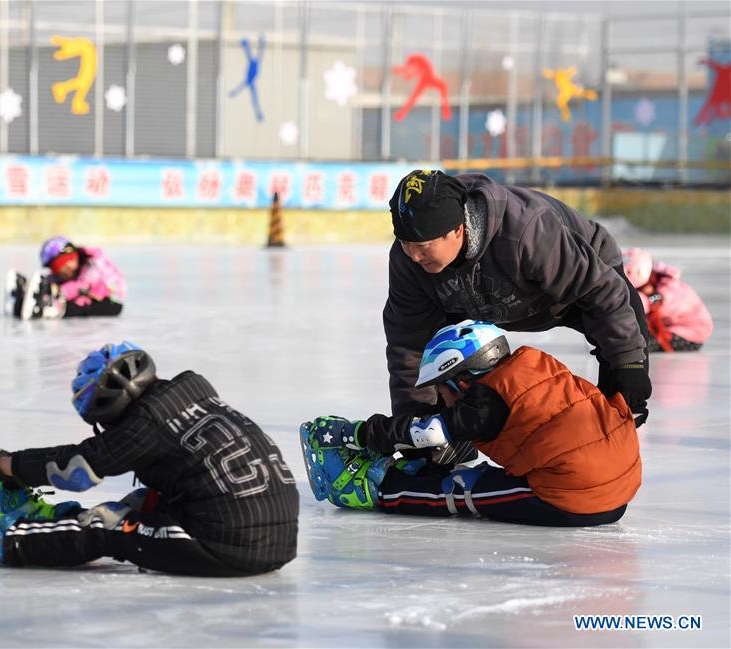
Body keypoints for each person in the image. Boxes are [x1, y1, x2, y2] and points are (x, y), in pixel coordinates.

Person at [0, 342, 299, 576]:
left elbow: (74, 469)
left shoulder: (146, 424)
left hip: (229, 545)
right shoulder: (194, 396)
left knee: (108, 525)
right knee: (143, 502)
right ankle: (46, 521)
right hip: (275, 535)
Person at [301, 320, 641, 527]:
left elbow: (427, 431)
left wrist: (357, 433)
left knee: (460, 489)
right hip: (616, 488)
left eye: (440, 389)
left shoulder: (486, 402)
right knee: (485, 475)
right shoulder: (534, 367)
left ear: (461, 380)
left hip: (574, 499)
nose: (440, 399)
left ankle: (380, 490)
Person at [384, 170, 652, 426]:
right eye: (405, 244)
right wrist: (415, 422)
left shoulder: (526, 231)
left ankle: (615, 435)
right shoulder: (407, 262)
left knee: (625, 370)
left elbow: (600, 291)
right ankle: (454, 437)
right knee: (441, 352)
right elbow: (408, 342)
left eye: (422, 246)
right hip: (487, 302)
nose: (413, 256)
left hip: (582, 284)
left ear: (456, 230)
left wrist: (628, 363)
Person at [4, 235, 126, 320]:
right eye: (55, 268)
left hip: (110, 302)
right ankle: (21, 302)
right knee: (69, 296)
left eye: (62, 264)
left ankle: (52, 310)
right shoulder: (71, 271)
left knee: (81, 305)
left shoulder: (93, 265)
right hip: (88, 296)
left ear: (73, 257)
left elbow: (81, 285)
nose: (61, 271)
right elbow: (57, 281)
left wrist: (55, 291)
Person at [622, 247, 713, 353]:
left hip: (691, 334)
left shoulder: (671, 288)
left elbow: (657, 302)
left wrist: (627, 303)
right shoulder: (656, 283)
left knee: (638, 344)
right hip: (668, 327)